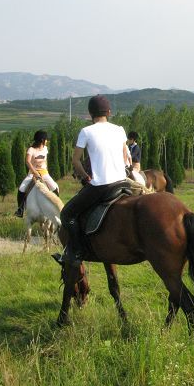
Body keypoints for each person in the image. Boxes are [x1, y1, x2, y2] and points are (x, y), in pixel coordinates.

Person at [57, 95, 131, 266]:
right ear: (109, 112)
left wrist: (85, 176)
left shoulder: (86, 132)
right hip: (123, 182)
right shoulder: (120, 130)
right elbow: (125, 155)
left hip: (101, 186)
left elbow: (75, 160)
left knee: (67, 214)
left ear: (90, 113)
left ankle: (76, 250)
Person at [14, 130, 60, 217]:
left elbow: (45, 160)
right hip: (32, 173)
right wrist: (34, 172)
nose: (47, 141)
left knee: (54, 188)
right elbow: (27, 161)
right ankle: (20, 209)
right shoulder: (31, 150)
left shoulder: (45, 149)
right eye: (46, 139)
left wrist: (46, 171)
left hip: (44, 172)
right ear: (42, 140)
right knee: (21, 189)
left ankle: (56, 207)